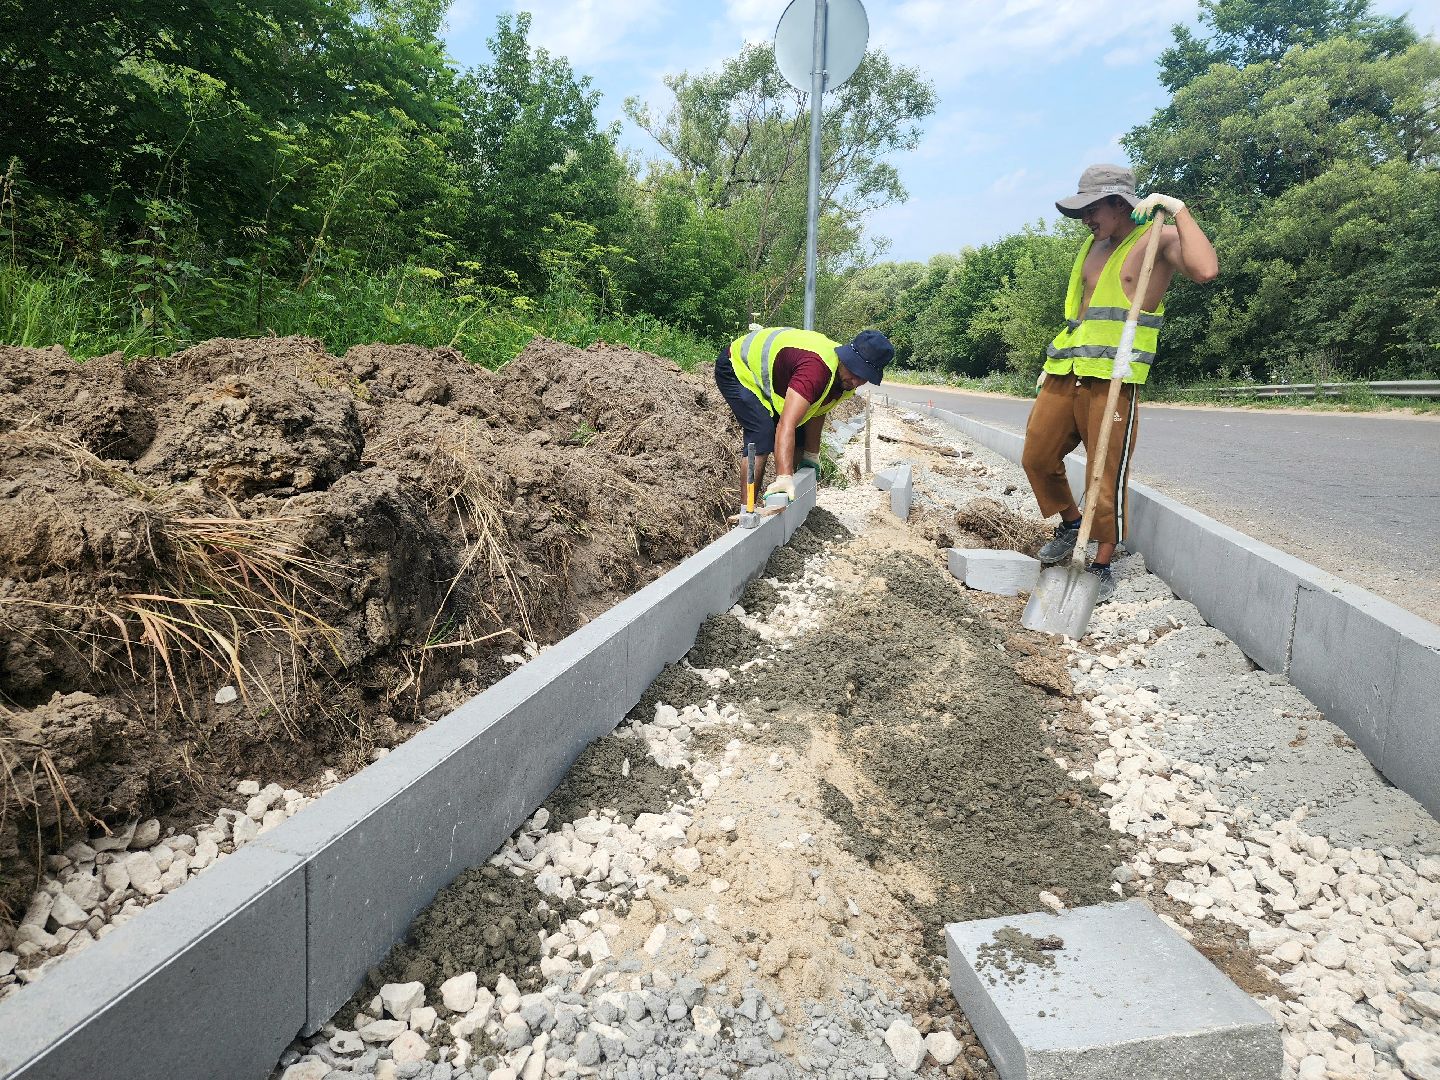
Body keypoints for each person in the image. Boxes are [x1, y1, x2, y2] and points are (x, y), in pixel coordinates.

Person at [1022, 163, 1219, 602]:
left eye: (1093, 209)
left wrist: (1180, 210)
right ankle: (1073, 523)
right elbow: (1082, 316)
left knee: (1103, 471)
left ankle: (1102, 560)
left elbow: (1206, 271)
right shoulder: (1091, 247)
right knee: (1037, 455)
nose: (1086, 219)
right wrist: (1051, 361)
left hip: (1114, 377)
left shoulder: (1158, 238)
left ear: (1119, 203)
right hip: (1066, 369)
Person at [715, 326, 894, 507]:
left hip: (774, 374)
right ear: (846, 357)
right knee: (761, 433)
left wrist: (811, 454)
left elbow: (817, 411)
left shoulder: (845, 381)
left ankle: (792, 505)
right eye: (855, 371)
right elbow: (786, 424)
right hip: (738, 366)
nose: (856, 381)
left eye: (864, 376)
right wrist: (783, 476)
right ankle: (747, 512)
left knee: (800, 434)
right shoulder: (815, 371)